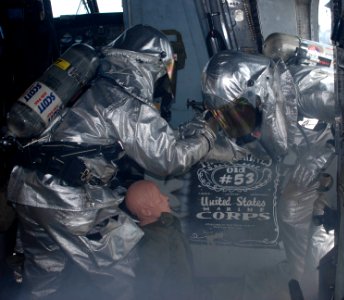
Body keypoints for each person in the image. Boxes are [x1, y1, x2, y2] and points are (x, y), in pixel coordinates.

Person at [7, 24, 216, 300]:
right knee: (125, 272)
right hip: (68, 200)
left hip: (26, 190)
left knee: (43, 275)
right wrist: (210, 135)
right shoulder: (124, 99)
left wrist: (193, 129)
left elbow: (154, 139)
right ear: (153, 64)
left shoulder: (90, 85)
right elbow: (169, 159)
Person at [201, 49, 335, 287]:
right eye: (229, 115)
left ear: (253, 87)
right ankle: (301, 281)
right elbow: (244, 146)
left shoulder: (308, 89)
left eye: (237, 110)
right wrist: (202, 149)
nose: (237, 119)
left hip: (337, 161)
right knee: (290, 210)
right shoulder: (261, 108)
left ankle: (323, 283)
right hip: (311, 166)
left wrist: (321, 155)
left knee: (322, 226)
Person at [125, 179, 195, 300]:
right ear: (146, 211)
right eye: (159, 199)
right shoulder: (154, 240)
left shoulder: (166, 227)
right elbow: (149, 284)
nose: (166, 198)